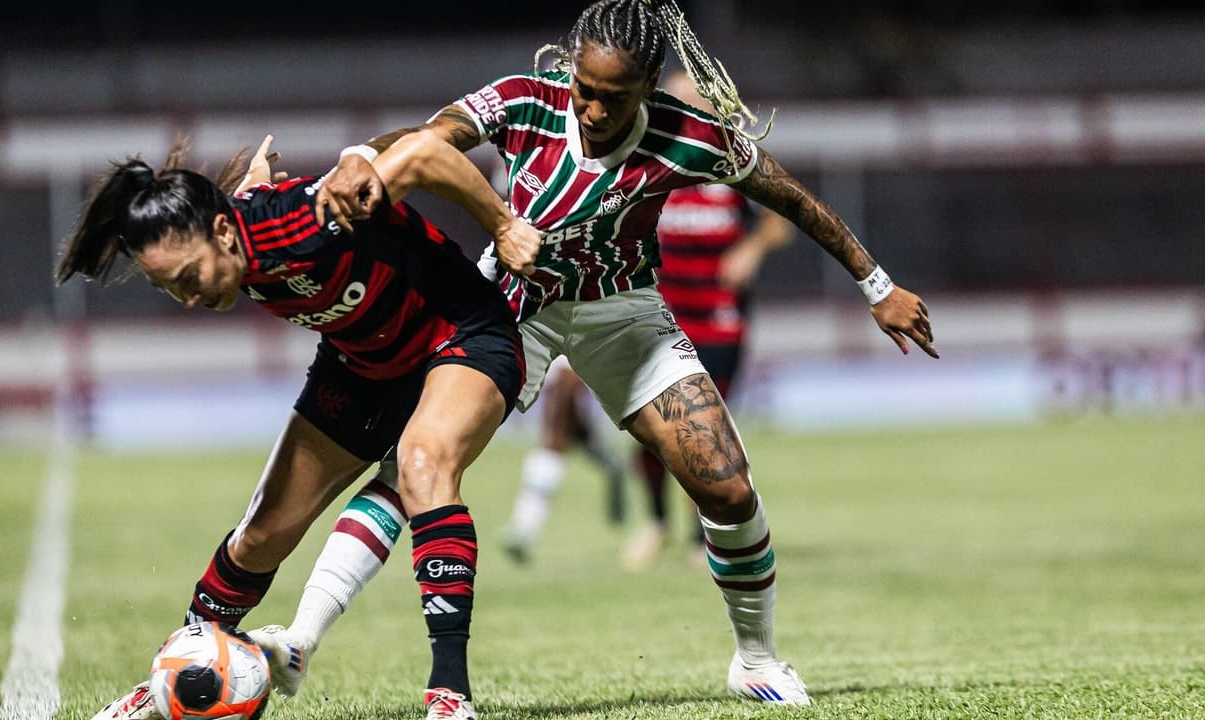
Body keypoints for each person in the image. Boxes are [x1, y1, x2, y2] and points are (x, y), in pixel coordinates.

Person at [261, 0, 938, 709]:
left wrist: (877, 286)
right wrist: (361, 156)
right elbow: (430, 137)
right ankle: (301, 640)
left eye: (614, 98)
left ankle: (757, 661)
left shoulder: (687, 136)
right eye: (585, 89)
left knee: (728, 488)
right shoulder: (526, 101)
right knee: (417, 465)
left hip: (625, 314)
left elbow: (791, 198)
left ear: (648, 87)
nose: (592, 109)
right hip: (513, 308)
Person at [66, 132, 534, 720]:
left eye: (188, 277)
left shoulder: (305, 217)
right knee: (261, 534)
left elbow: (423, 152)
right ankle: (174, 676)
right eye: (171, 288)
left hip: (462, 333)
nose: (188, 299)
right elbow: (248, 209)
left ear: (221, 232)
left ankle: (449, 695)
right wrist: (253, 191)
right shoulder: (236, 235)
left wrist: (503, 225)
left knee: (421, 466)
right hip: (363, 362)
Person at [622, 69, 793, 570]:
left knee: (705, 432)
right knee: (650, 429)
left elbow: (780, 220)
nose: (688, 106)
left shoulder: (730, 162)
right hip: (659, 319)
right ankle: (656, 522)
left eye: (697, 98)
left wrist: (751, 249)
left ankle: (705, 537)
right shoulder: (648, 160)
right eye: (678, 98)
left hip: (719, 320)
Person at [501, 357, 627, 564]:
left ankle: (522, 531)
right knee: (551, 462)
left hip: (550, 444)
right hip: (552, 447)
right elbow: (568, 415)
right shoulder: (566, 372)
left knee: (549, 459)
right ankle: (522, 533)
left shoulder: (561, 372)